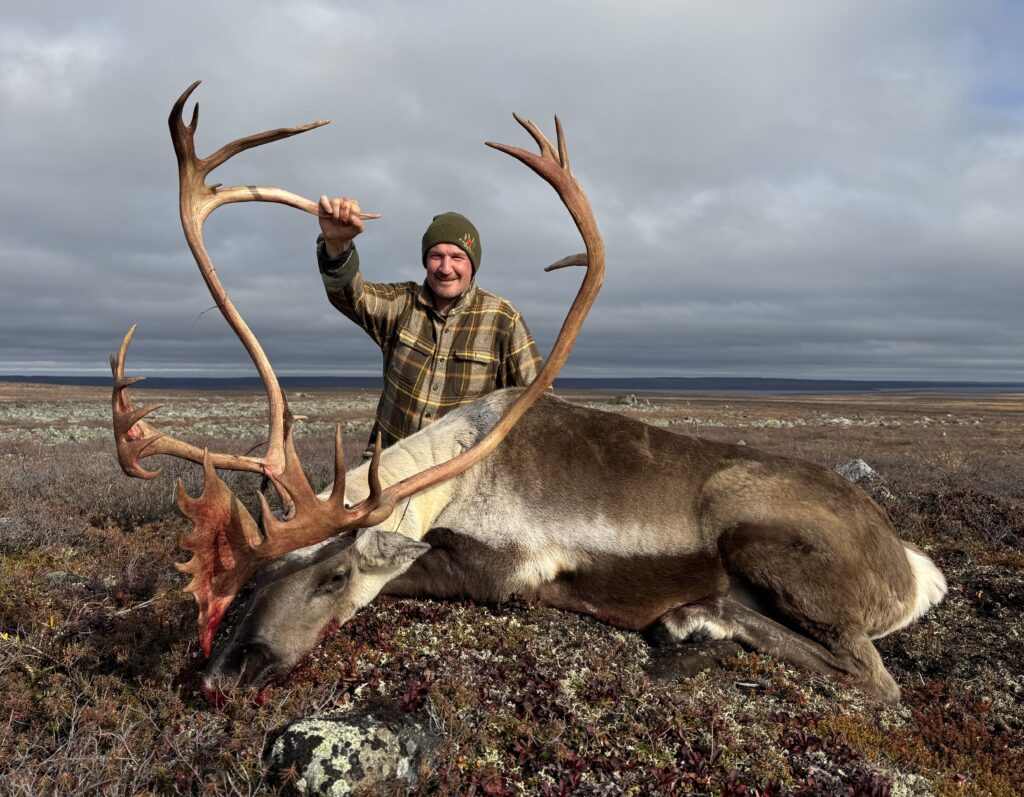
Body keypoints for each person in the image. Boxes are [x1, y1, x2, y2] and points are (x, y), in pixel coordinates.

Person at [316, 195, 542, 451]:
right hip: (387, 475)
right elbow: (351, 295)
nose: (446, 268)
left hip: (459, 482)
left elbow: (538, 404)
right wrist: (337, 246)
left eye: (457, 257)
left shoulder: (503, 319)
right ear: (426, 260)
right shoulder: (402, 303)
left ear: (472, 263)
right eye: (437, 256)